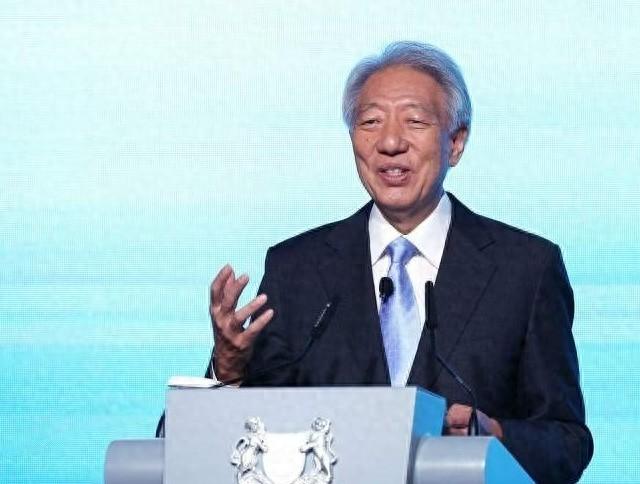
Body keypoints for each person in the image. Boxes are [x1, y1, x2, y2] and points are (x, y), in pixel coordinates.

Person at [208, 41, 593, 483]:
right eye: (370, 122)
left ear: (456, 142)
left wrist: (497, 435)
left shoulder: (526, 269)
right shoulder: (297, 269)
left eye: (415, 121)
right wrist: (229, 368)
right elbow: (237, 439)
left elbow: (567, 442)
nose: (390, 143)